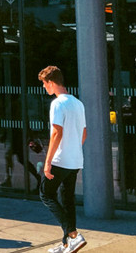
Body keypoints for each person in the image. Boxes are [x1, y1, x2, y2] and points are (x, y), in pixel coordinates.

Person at [38, 66, 87, 253]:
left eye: (44, 84)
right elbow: (84, 133)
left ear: (51, 82)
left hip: (60, 160)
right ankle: (67, 244)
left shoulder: (57, 104)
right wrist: (74, 149)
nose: (44, 87)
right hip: (75, 160)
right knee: (67, 199)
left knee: (46, 194)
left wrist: (48, 161)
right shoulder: (78, 103)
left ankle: (73, 235)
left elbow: (56, 133)